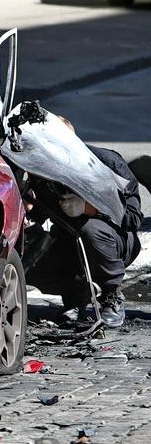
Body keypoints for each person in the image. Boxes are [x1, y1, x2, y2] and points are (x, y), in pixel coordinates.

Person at [25, 119, 142, 328]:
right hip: (69, 240)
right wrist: (27, 208)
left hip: (115, 242)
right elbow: (40, 213)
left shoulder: (107, 163)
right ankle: (76, 295)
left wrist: (90, 209)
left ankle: (112, 295)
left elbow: (133, 218)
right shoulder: (45, 170)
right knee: (26, 248)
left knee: (91, 230)